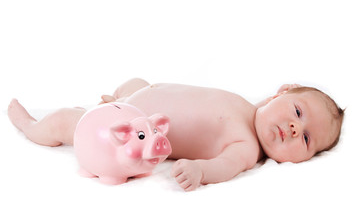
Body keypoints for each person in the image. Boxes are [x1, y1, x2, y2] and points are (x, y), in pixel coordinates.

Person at [7, 78, 344, 191]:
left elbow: (225, 166)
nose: (295, 128)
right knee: (134, 81)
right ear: (279, 93)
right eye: (297, 112)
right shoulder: (249, 106)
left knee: (70, 121)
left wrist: (200, 171)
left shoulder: (247, 147)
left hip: (136, 126)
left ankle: (32, 127)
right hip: (141, 96)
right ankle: (117, 100)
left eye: (306, 139)